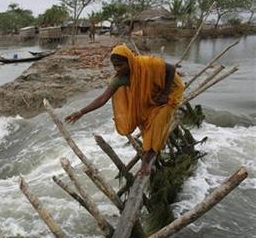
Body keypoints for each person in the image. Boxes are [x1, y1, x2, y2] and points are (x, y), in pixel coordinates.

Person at [65, 44, 184, 176]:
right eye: (115, 66)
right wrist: (81, 112)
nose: (117, 69)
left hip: (171, 90)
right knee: (146, 120)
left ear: (129, 61)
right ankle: (150, 150)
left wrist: (165, 94)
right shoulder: (120, 78)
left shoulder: (147, 63)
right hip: (153, 96)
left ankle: (148, 160)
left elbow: (171, 69)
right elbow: (103, 98)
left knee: (158, 120)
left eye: (120, 65)